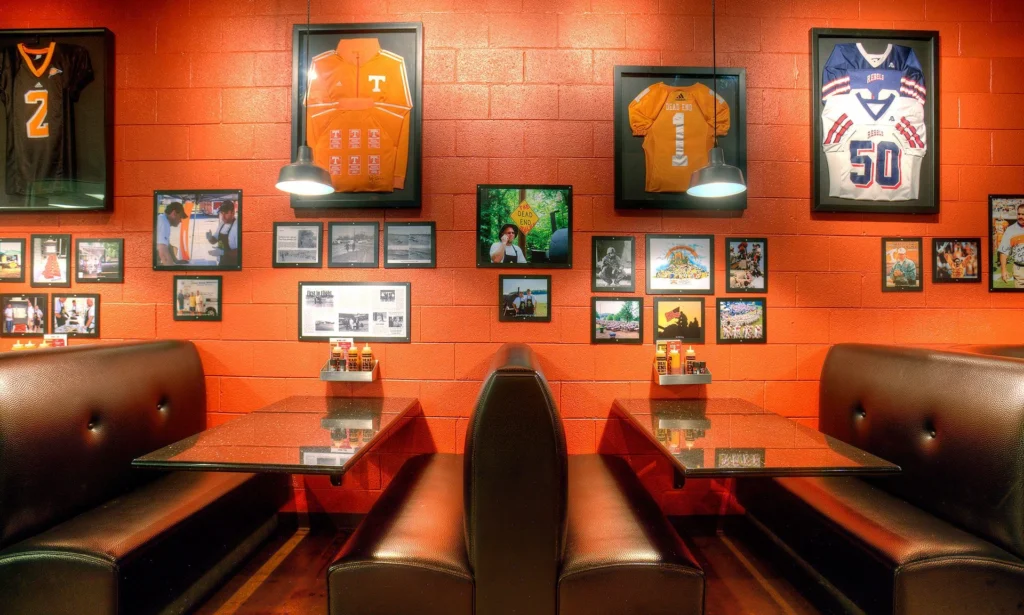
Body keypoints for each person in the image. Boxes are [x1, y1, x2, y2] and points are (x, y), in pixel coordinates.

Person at [206, 200, 240, 268]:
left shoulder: (237, 227)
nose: (223, 216)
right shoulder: (222, 224)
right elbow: (214, 240)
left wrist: (223, 252)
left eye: (226, 213)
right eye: (222, 213)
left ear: (233, 213)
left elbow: (239, 252)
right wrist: (210, 238)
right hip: (221, 262)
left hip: (232, 266)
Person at [998, 204, 1024, 288]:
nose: (1020, 216)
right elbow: (1003, 251)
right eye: (1019, 214)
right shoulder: (1010, 230)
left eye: (1023, 214)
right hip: (1020, 270)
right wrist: (1003, 270)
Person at [156, 201, 186, 266]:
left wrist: (176, 260)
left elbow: (167, 245)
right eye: (180, 217)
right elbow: (163, 251)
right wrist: (172, 269)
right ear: (174, 214)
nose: (180, 221)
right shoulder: (164, 222)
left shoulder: (162, 219)